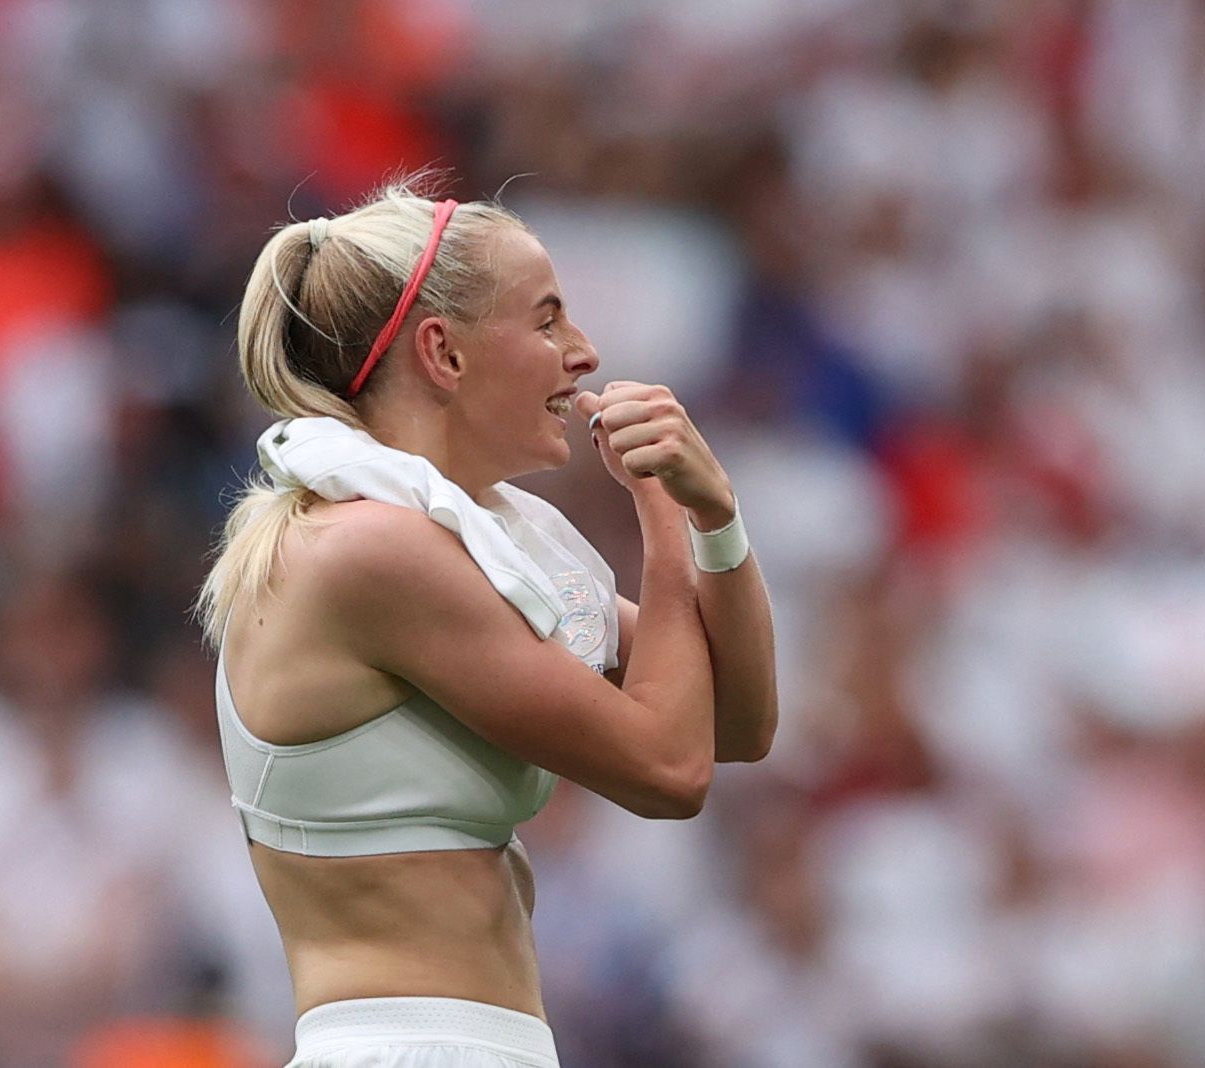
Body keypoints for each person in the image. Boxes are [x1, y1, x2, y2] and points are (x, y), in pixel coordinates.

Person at [195, 181, 779, 1068]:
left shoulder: (464, 540)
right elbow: (670, 767)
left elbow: (736, 721)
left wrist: (715, 518)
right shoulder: (370, 552)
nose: (582, 355)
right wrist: (659, 514)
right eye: (547, 322)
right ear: (443, 352)